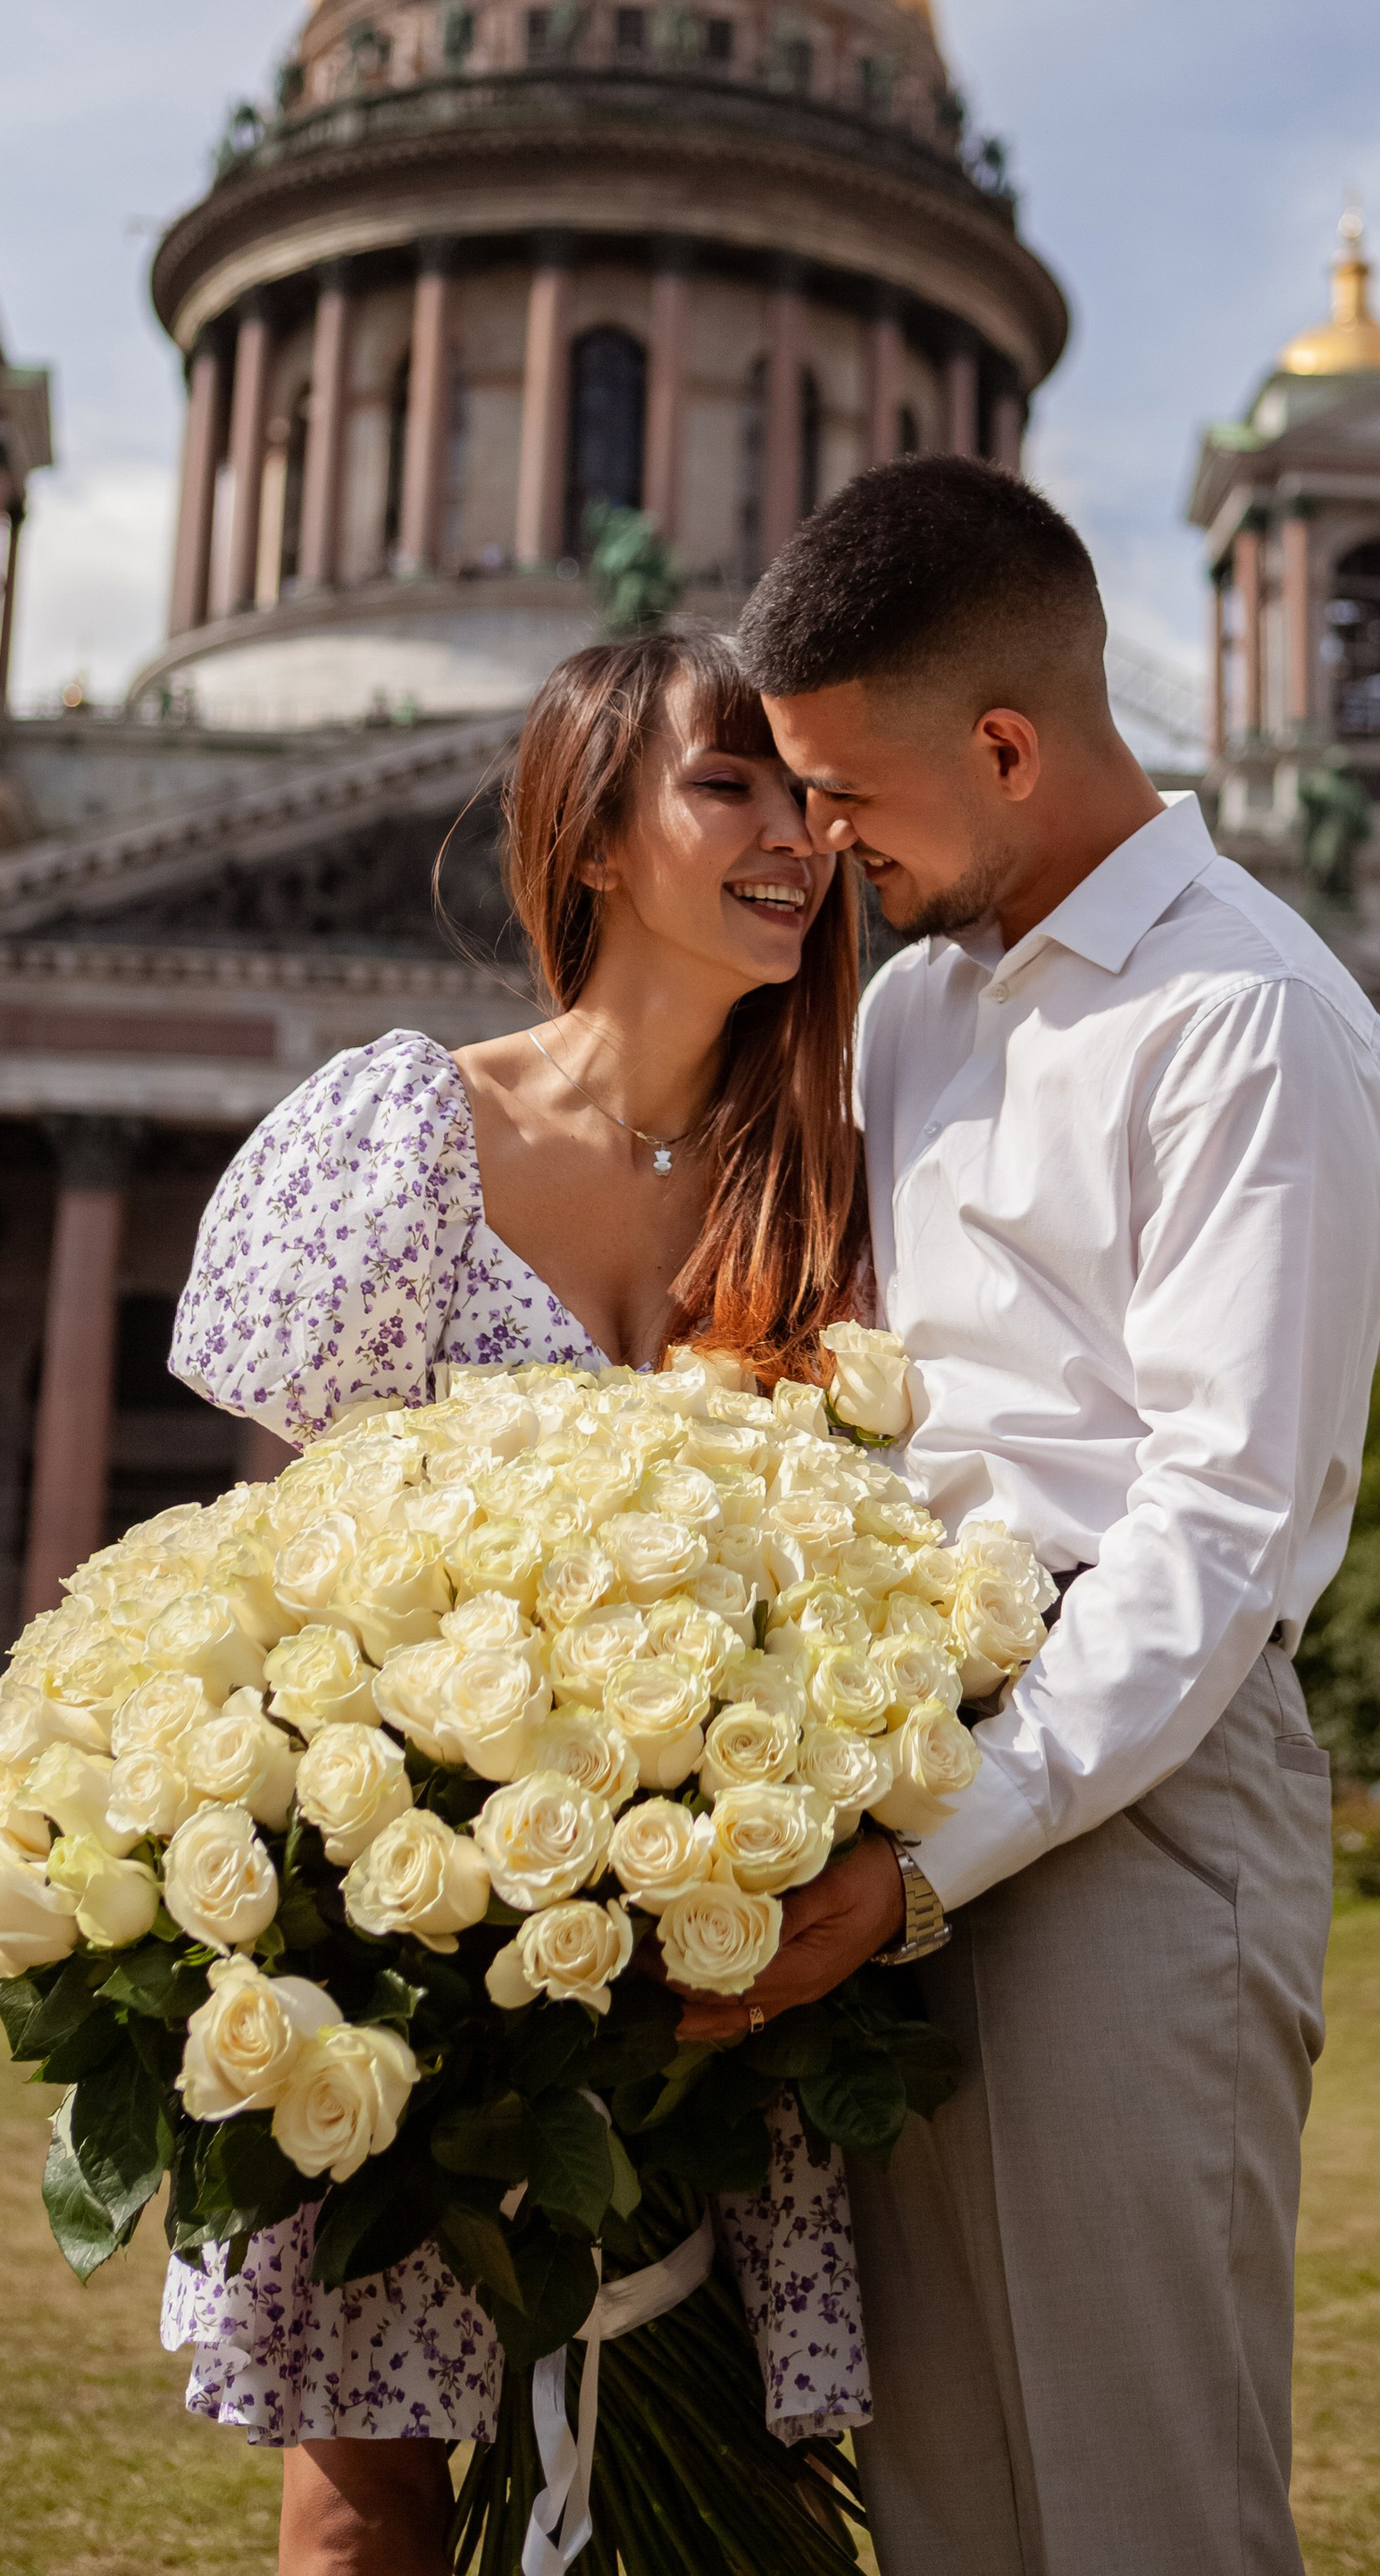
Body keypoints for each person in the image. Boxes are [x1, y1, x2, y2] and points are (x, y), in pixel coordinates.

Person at [719, 455, 1380, 2576]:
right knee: (944, 2506)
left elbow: (1217, 1524)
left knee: (1136, 2507)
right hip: (901, 1776)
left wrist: (932, 1853)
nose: (815, 845)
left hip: (1135, 1794)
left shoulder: (1250, 1021)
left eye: (844, 793)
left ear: (1006, 747)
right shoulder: (912, 1008)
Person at [160, 625, 873, 2576]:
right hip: (428, 1940)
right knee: (366, 2506)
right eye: (727, 783)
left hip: (735, 1963)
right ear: (593, 836)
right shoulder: (407, 1137)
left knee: (741, 2510)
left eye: (809, 791)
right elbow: (283, 1573)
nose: (796, 832)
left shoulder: (834, 1180)